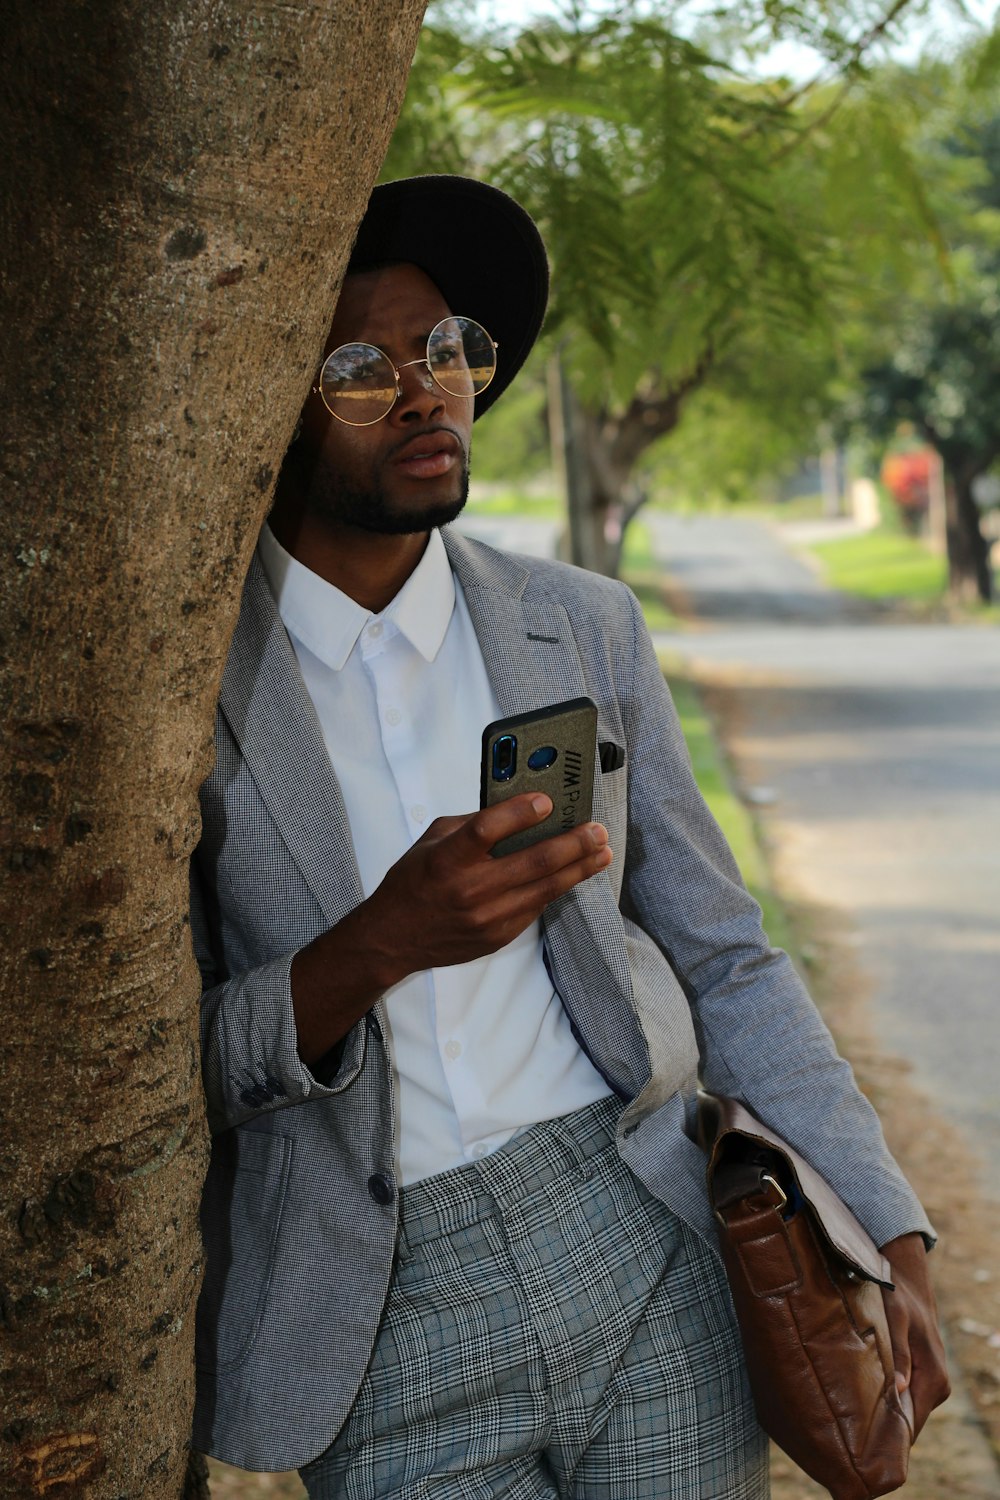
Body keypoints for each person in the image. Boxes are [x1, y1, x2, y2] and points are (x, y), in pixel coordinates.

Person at [190, 175, 948, 1498]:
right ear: (271, 406)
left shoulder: (577, 630)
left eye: (445, 350)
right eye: (360, 369)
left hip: (637, 1234)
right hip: (377, 1320)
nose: (426, 393)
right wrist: (368, 952)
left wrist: (889, 1225)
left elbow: (725, 956)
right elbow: (159, 1066)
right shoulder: (187, 706)